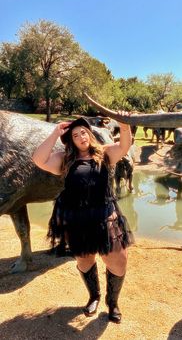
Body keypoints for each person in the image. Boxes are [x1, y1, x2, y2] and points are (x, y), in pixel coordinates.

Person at [32, 113, 134, 324]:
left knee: (118, 261)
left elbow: (124, 147)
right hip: (77, 219)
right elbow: (38, 159)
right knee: (85, 260)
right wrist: (55, 133)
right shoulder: (65, 159)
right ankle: (94, 296)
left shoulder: (104, 154)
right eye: (75, 134)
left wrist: (125, 126)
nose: (81, 136)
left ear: (90, 134)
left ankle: (112, 302)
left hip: (105, 216)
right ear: (71, 140)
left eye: (84, 132)